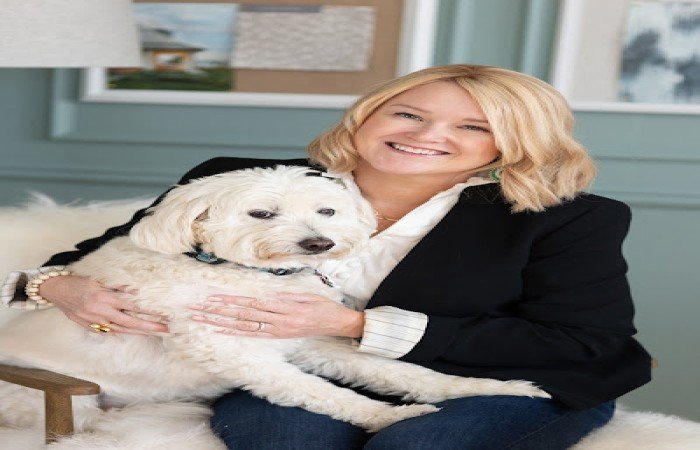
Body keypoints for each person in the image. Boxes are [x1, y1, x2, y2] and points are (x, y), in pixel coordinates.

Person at [2, 64, 652, 449]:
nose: (427, 136)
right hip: (308, 368)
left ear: (512, 144)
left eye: (472, 127)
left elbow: (583, 342)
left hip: (509, 377)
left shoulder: (567, 217)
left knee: (421, 444)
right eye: (407, 114)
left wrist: (356, 324)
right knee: (277, 438)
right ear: (368, 115)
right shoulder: (242, 180)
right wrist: (58, 287)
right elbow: (93, 253)